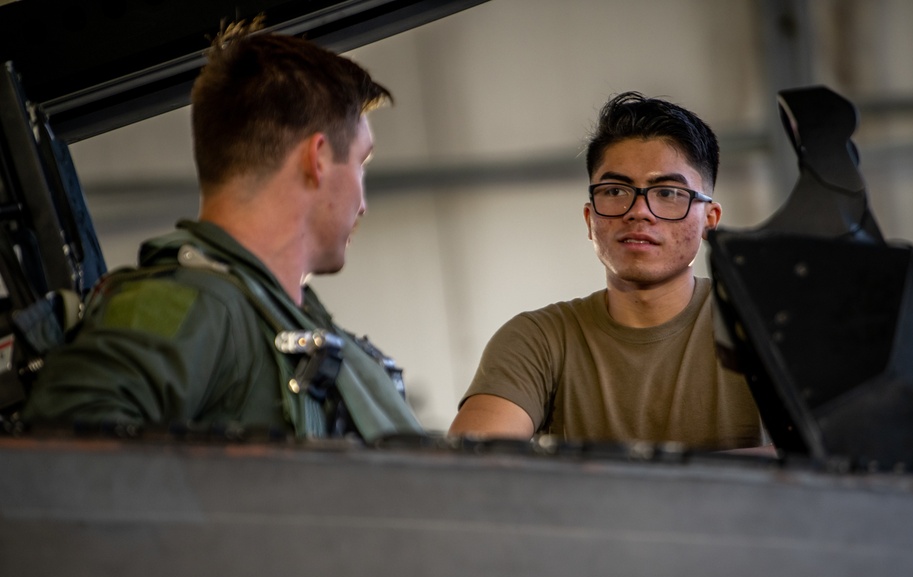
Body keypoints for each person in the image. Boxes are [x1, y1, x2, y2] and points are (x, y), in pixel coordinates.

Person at [24, 18, 423, 442]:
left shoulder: (281, 322)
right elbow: (59, 456)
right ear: (318, 159)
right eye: (360, 165)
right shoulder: (191, 304)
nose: (362, 203)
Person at [449, 92, 764, 450]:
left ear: (710, 220)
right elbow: (471, 468)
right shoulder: (540, 340)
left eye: (668, 192)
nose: (639, 212)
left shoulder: (762, 322)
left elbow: (831, 457)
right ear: (589, 218)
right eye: (615, 190)